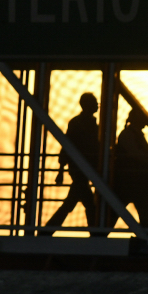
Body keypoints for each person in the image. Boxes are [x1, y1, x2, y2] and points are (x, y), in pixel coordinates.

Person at [43, 93, 100, 236]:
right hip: (81, 168)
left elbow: (66, 145)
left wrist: (61, 170)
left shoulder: (81, 122)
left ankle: (48, 230)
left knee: (73, 201)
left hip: (79, 167)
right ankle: (95, 234)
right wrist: (61, 170)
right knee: (87, 203)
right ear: (87, 105)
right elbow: (68, 145)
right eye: (94, 102)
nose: (97, 104)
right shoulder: (82, 123)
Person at [112, 108, 148, 229]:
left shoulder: (131, 134)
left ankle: (100, 237)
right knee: (144, 216)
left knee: (116, 212)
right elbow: (136, 154)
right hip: (132, 182)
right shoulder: (129, 135)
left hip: (133, 182)